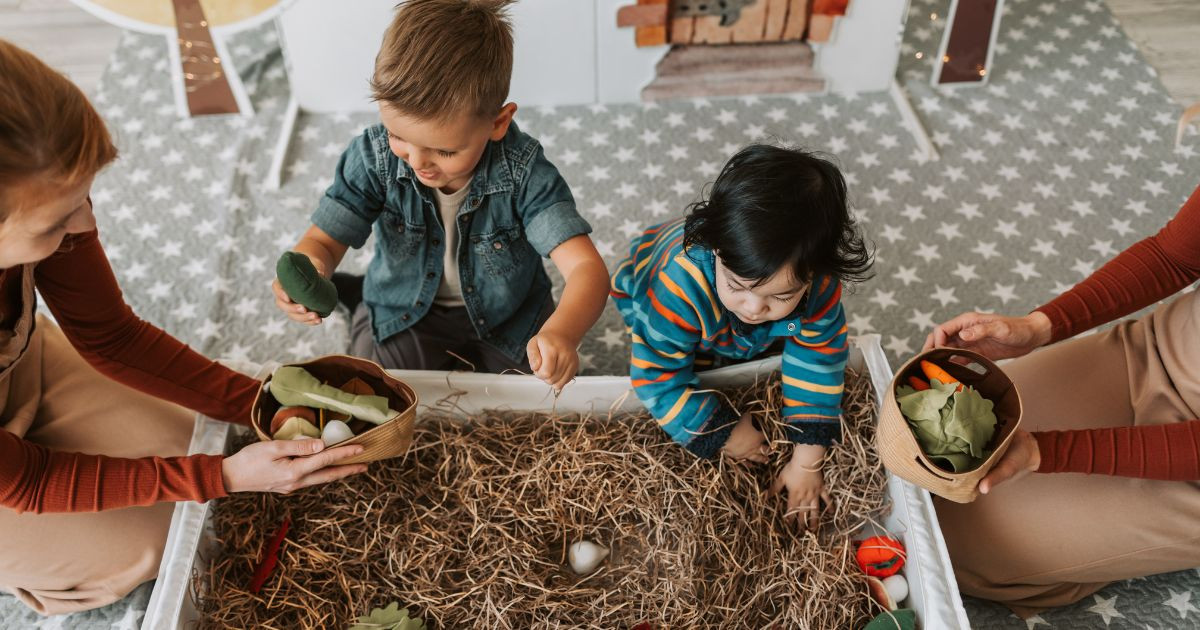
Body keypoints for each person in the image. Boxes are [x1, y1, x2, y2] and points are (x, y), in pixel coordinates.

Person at [0, 40, 366, 615]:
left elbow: (112, 337)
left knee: (187, 443)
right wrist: (219, 477)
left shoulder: (44, 200)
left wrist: (259, 404)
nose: (87, 223)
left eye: (86, 196)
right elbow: (26, 482)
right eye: (56, 221)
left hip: (20, 370)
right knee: (154, 539)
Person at [273, 0, 609, 391]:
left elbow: (588, 270)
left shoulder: (524, 172)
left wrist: (562, 334)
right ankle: (361, 301)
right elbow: (323, 241)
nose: (418, 162)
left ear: (498, 122)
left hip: (509, 319)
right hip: (406, 311)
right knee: (371, 388)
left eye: (445, 151)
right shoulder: (373, 157)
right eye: (399, 136)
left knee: (549, 393)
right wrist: (313, 267)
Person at [923, 183, 1200, 617]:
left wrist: (1046, 452)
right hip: (1159, 350)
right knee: (948, 450)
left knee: (958, 553)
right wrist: (1038, 327)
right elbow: (1175, 255)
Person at [610, 144, 873, 531]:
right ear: (717, 250)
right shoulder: (678, 286)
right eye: (738, 285)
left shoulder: (819, 285)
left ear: (815, 273)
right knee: (686, 358)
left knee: (793, 340)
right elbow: (655, 375)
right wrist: (722, 433)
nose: (752, 307)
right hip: (649, 296)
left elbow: (820, 360)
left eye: (781, 295)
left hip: (724, 316)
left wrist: (807, 461)